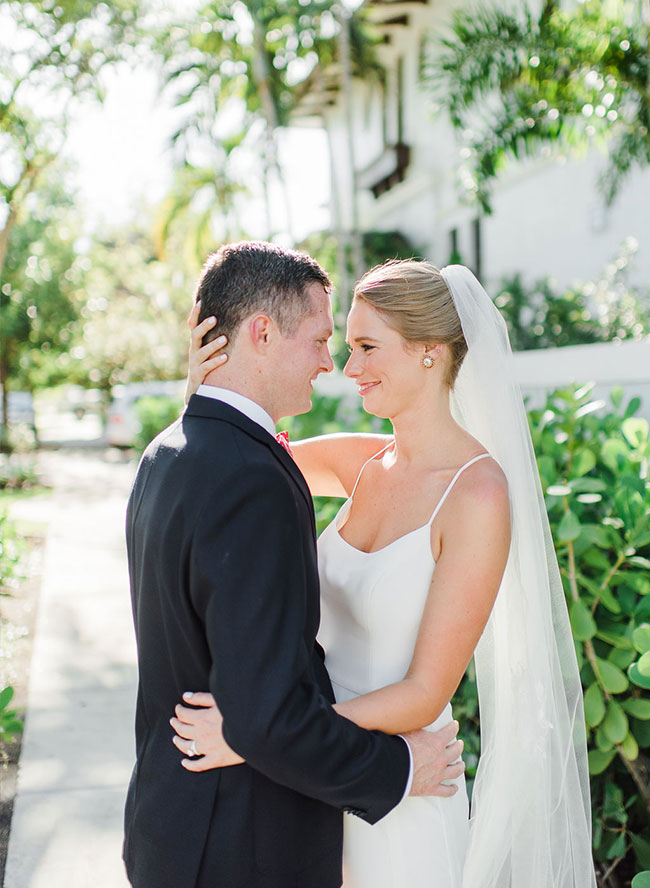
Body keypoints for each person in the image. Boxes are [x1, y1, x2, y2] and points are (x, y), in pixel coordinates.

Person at [175, 258, 597, 888]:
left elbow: (425, 692)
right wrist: (203, 387)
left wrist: (258, 736)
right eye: (346, 347)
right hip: (317, 782)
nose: (348, 369)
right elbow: (232, 461)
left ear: (430, 352)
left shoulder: (477, 495)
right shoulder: (363, 461)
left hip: (402, 791)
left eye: (368, 347)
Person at [123, 241, 465, 888]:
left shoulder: (165, 454)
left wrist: (201, 395)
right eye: (319, 339)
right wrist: (398, 770)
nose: (330, 362)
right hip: (241, 845)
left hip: (170, 825)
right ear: (260, 332)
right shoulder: (250, 480)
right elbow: (267, 718)